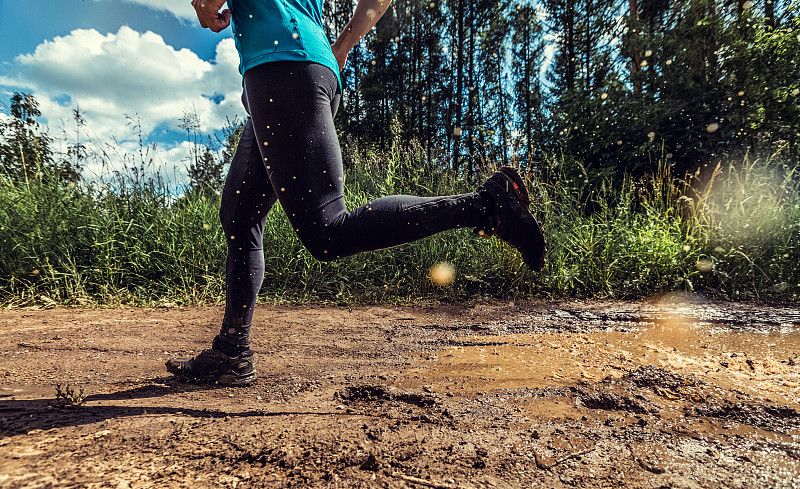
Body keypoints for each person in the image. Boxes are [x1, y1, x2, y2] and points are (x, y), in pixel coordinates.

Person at [166, 0, 546, 386]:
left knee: (328, 232)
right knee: (240, 215)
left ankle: (485, 207)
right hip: (302, 69)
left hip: (282, 69)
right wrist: (342, 46)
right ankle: (232, 352)